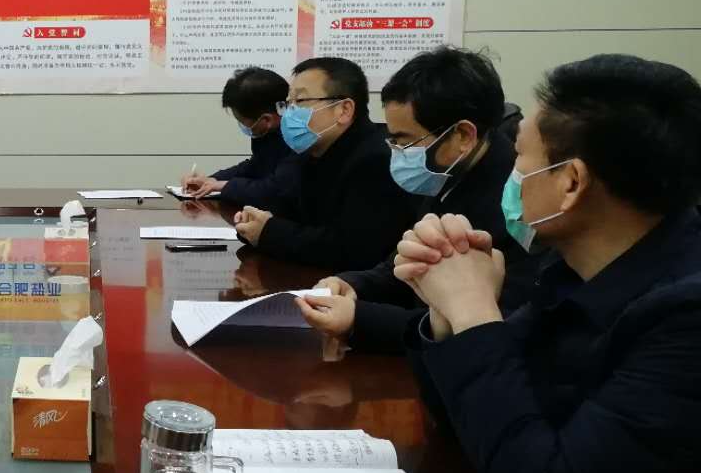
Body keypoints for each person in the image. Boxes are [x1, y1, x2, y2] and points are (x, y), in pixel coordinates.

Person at [394, 54, 701, 473]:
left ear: (571, 182)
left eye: (520, 157)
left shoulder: (686, 315)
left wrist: (475, 311)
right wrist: (445, 311)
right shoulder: (572, 270)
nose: (512, 175)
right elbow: (467, 418)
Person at [296, 46, 540, 353]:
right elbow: (406, 264)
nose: (397, 152)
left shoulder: (517, 206)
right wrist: (353, 285)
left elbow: (491, 325)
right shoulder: (448, 174)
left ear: (463, 135)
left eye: (406, 141)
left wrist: (360, 318)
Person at [231, 57, 416, 272]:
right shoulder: (310, 152)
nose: (289, 113)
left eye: (300, 101)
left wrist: (268, 233)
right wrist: (251, 223)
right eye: (287, 103)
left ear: (344, 110)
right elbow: (283, 210)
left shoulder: (376, 159)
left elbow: (353, 250)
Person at [180, 66, 300, 208]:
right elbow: (255, 167)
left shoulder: (299, 139)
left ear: (267, 120)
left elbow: (275, 190)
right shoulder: (269, 132)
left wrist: (225, 185)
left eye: (242, 121)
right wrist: (211, 180)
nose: (242, 126)